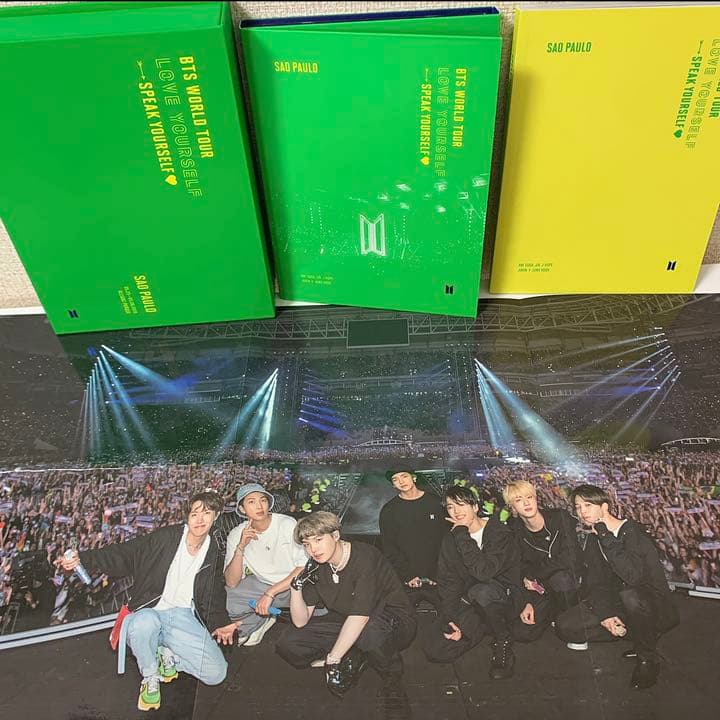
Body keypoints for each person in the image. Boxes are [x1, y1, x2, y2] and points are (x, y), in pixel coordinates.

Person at [59, 490, 235, 712]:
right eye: (194, 514)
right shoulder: (166, 538)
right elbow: (125, 553)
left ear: (216, 516)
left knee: (216, 673)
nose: (200, 520)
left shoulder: (212, 549)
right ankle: (150, 676)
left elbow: (214, 590)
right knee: (144, 623)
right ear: (187, 517)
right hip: (149, 609)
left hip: (182, 615)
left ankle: (167, 654)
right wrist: (83, 558)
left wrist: (222, 622)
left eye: (206, 513)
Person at [276, 511, 416, 719]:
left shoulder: (365, 557)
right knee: (288, 642)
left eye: (318, 540)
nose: (313, 549)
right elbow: (300, 621)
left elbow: (361, 617)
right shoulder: (316, 566)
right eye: (306, 544)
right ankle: (356, 652)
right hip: (348, 618)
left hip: (391, 620)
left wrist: (333, 660)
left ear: (335, 536)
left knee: (369, 632)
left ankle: (392, 681)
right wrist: (295, 588)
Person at [556, 484, 679, 689]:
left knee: (630, 595)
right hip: (621, 603)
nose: (582, 512)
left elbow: (632, 576)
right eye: (578, 507)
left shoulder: (632, 532)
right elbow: (596, 583)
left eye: (588, 505)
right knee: (566, 626)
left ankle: (647, 657)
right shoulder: (594, 539)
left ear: (604, 507)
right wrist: (606, 615)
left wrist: (605, 536)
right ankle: (637, 635)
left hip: (652, 605)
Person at [422, 485, 524, 679]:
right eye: (450, 507)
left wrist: (462, 533)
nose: (456, 511)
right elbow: (448, 582)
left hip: (506, 597)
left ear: (475, 507)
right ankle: (483, 626)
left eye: (461, 504)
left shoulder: (499, 532)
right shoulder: (450, 539)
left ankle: (502, 640)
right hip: (473, 602)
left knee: (482, 591)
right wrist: (450, 618)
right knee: (436, 649)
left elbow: (483, 572)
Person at [223, 483, 307, 646]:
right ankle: (260, 621)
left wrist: (270, 593)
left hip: (294, 584)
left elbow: (303, 567)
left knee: (315, 616)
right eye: (251, 502)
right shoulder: (236, 534)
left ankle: (264, 615)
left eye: (263, 500)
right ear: (242, 509)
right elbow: (231, 582)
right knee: (230, 600)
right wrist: (241, 547)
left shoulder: (287, 524)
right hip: (263, 584)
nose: (259, 506)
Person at [503, 479, 583, 638]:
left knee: (561, 579)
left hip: (570, 582)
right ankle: (551, 611)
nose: (526, 503)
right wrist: (526, 599)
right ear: (512, 507)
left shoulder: (560, 517)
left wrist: (533, 574)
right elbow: (517, 567)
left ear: (536, 498)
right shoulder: (514, 531)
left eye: (529, 497)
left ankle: (571, 620)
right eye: (518, 500)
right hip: (540, 588)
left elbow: (570, 557)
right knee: (522, 633)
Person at [378, 469, 446, 611]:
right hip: (408, 580)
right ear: (393, 485)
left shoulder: (436, 503)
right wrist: (408, 575)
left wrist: (439, 572)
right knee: (403, 617)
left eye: (404, 476)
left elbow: (446, 540)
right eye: (395, 479)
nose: (401, 481)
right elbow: (389, 548)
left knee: (450, 618)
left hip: (439, 576)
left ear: (414, 478)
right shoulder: (389, 510)